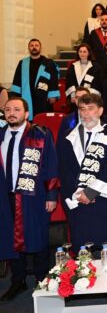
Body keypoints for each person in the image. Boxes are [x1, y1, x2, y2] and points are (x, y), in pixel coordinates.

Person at [0, 97, 58, 302]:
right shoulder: (1, 135)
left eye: (17, 109)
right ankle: (18, 280)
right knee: (10, 239)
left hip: (33, 196)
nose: (11, 113)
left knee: (38, 236)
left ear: (26, 114)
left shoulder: (40, 134)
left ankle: (42, 279)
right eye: (8, 109)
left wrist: (51, 195)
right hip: (5, 197)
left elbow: (51, 165)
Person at [57, 93, 107, 252]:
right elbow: (63, 169)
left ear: (100, 111)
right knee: (80, 247)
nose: (86, 113)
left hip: (100, 200)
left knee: (103, 246)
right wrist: (76, 193)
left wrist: (91, 192)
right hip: (76, 199)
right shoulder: (67, 136)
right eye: (82, 109)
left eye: (90, 109)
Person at [10, 39, 60, 121]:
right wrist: (16, 95)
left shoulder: (49, 63)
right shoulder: (22, 63)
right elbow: (17, 79)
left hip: (43, 96)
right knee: (27, 117)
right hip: (27, 95)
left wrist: (52, 95)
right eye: (31, 45)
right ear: (28, 48)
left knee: (43, 119)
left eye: (36, 45)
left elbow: (54, 79)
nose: (34, 47)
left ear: (40, 48)